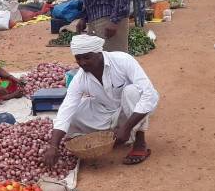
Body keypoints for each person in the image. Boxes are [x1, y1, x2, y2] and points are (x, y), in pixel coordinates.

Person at [43, 35, 159, 167]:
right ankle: (111, 136)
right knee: (73, 113)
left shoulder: (123, 60)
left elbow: (149, 95)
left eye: (87, 57)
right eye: (78, 58)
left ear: (99, 53)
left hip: (129, 112)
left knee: (131, 92)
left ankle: (139, 141)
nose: (82, 63)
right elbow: (67, 108)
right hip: (105, 112)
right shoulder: (80, 77)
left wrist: (126, 128)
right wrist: (54, 146)